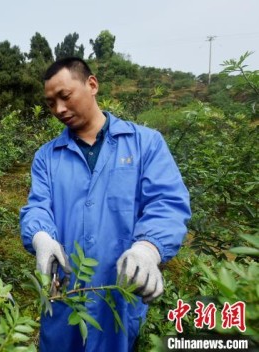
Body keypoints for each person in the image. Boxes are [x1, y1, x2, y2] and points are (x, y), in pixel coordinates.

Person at [20, 57, 191, 351]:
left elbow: (167, 202)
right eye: (51, 103)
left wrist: (147, 248)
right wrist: (41, 237)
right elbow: (38, 206)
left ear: (92, 84)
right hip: (65, 295)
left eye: (65, 96)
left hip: (118, 296)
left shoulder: (145, 143)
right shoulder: (47, 157)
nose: (59, 109)